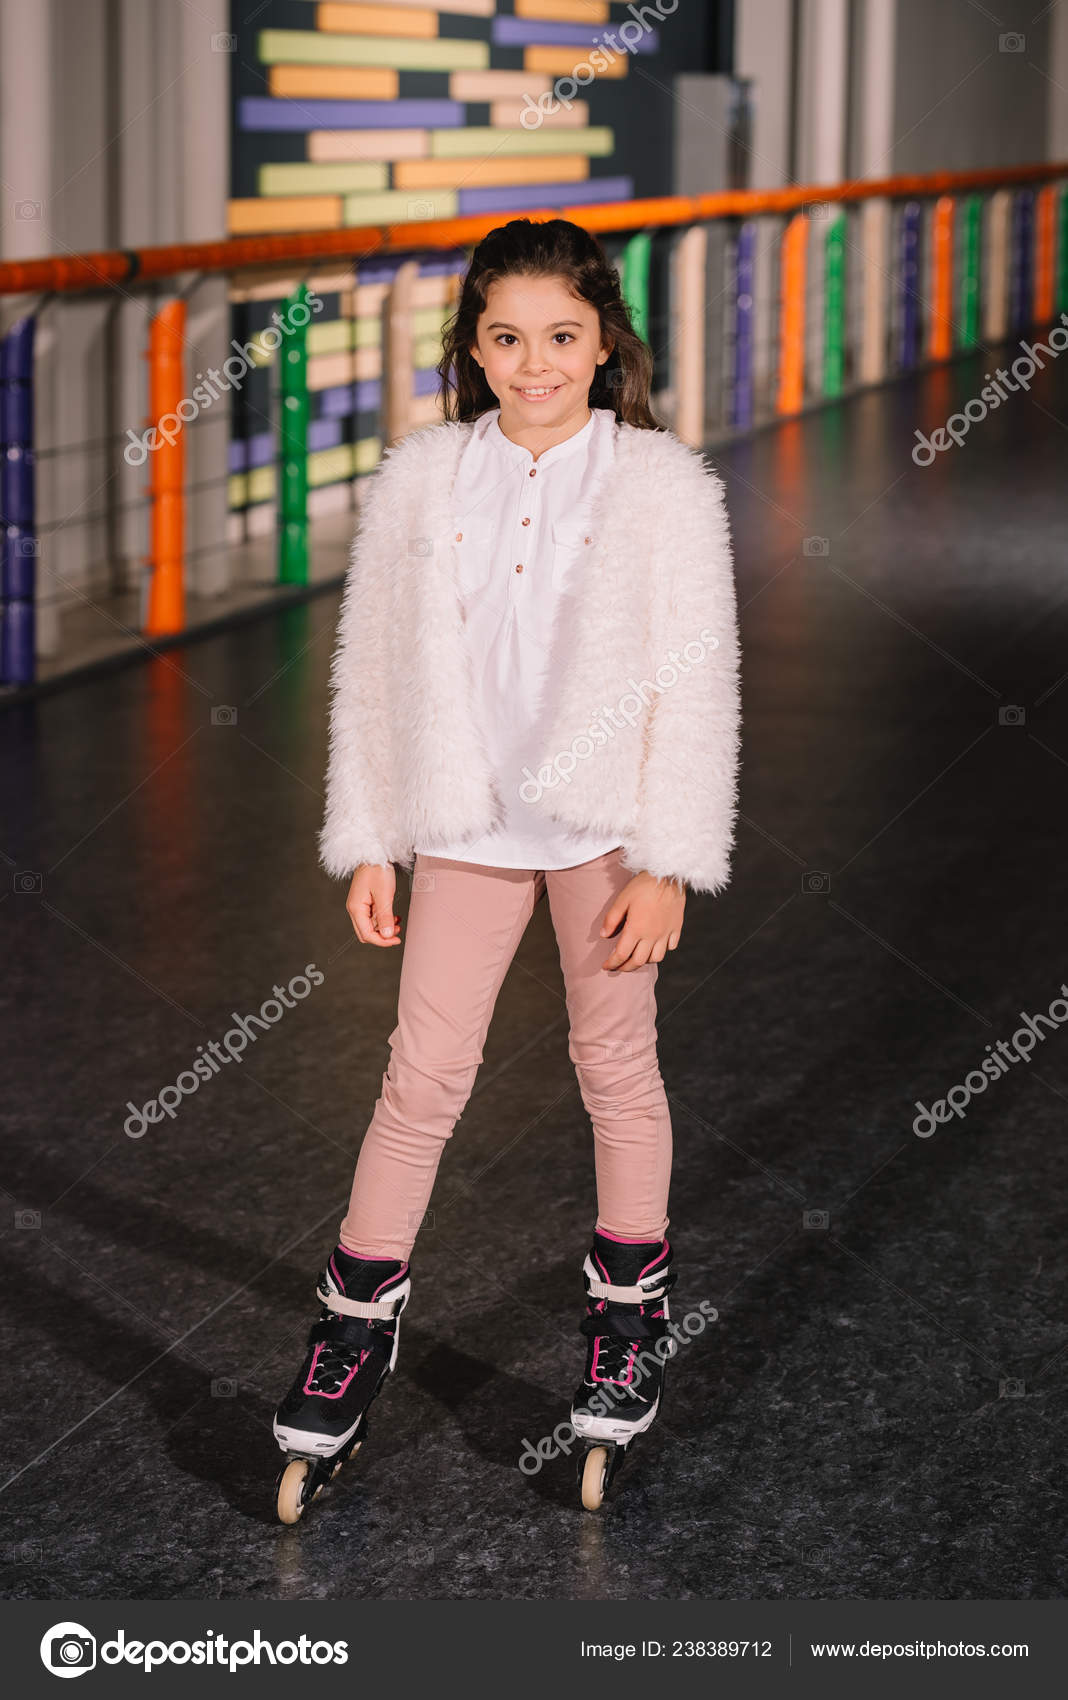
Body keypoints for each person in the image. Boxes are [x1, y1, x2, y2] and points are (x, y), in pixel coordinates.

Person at [273, 217, 741, 1503]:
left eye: (562, 337)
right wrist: (368, 832)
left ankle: (628, 1315)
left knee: (616, 1067)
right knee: (420, 1077)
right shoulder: (425, 477)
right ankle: (353, 1326)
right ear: (472, 348)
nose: (535, 363)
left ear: (605, 346)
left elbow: (697, 683)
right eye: (507, 338)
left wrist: (670, 857)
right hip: (465, 823)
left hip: (604, 831)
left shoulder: (660, 484)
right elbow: (374, 669)